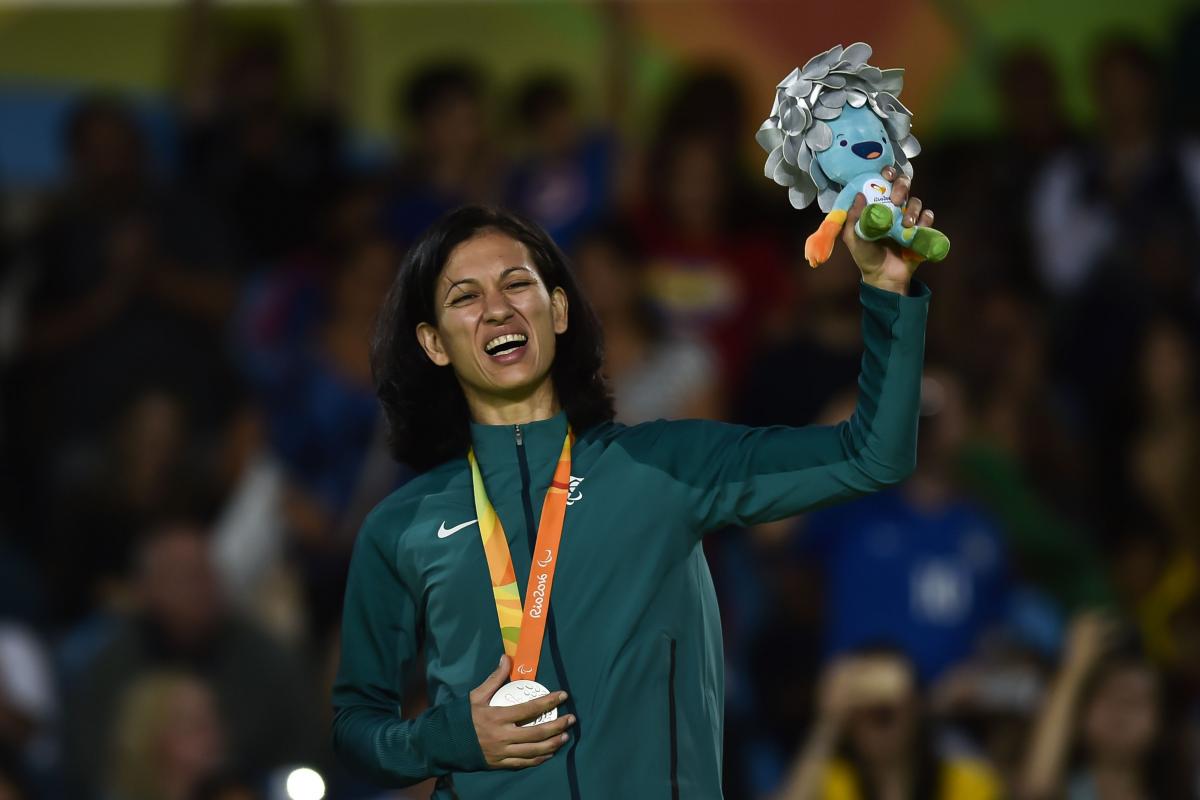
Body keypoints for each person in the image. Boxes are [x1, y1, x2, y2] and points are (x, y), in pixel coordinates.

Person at [331, 164, 937, 797]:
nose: (497, 310)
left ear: (559, 310)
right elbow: (354, 729)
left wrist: (885, 287)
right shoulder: (403, 526)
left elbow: (874, 453)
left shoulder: (662, 467)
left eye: (517, 284)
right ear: (433, 343)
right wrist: (449, 737)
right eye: (464, 297)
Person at [776, 648, 1001, 800]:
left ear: (916, 707)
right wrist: (828, 723)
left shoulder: (967, 783)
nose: (875, 723)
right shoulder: (835, 783)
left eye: (886, 712)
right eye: (861, 709)